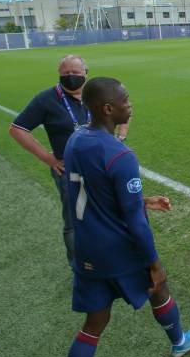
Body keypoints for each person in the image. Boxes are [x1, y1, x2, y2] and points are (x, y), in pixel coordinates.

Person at [60, 78, 190, 357]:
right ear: (108, 108)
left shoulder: (75, 140)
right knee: (158, 287)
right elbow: (135, 224)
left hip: (86, 248)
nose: (131, 104)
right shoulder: (120, 155)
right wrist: (155, 264)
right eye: (126, 100)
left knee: (94, 323)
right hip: (118, 251)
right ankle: (180, 342)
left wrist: (142, 200)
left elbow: (96, 190)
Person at [10, 55, 129, 265]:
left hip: (102, 167)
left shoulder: (97, 93)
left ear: (86, 72)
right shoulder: (46, 99)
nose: (71, 77)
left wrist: (120, 137)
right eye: (65, 74)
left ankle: (107, 256)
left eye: (75, 73)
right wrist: (49, 159)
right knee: (75, 220)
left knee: (107, 212)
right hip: (69, 171)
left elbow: (127, 108)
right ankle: (80, 264)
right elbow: (17, 129)